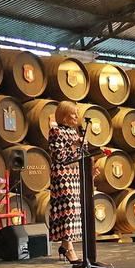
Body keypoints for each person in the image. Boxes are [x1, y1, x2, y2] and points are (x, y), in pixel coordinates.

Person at [46, 101, 89, 260]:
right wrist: (74, 146)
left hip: (75, 175)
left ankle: (66, 245)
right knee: (67, 209)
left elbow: (81, 155)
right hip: (62, 176)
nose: (77, 116)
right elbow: (58, 157)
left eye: (77, 113)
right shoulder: (55, 132)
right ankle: (68, 247)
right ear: (64, 116)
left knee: (75, 211)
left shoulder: (75, 132)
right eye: (73, 113)